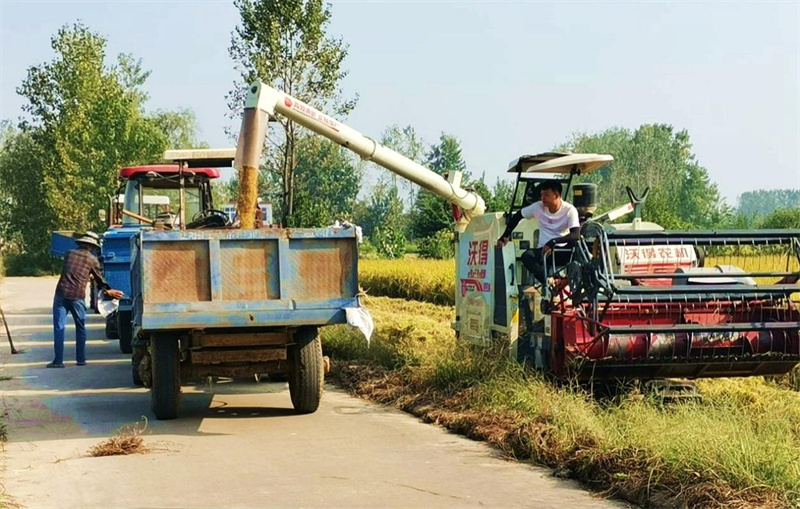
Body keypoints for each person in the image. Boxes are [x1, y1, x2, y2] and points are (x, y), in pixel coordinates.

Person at [48, 233, 124, 368]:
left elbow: (71, 269)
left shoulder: (69, 254)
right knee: (80, 327)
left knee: (59, 327)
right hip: (77, 296)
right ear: (92, 246)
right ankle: (80, 359)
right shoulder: (92, 260)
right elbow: (100, 279)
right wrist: (108, 291)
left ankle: (58, 361)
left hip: (61, 293)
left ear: (81, 243)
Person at [496, 180, 580, 286]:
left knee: (578, 244)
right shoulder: (538, 207)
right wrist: (505, 236)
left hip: (563, 250)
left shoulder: (569, 210)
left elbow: (575, 234)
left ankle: (574, 282)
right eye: (541, 195)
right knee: (526, 256)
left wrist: (553, 242)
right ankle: (549, 281)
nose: (542, 198)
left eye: (546, 195)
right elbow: (518, 215)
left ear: (556, 195)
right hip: (544, 252)